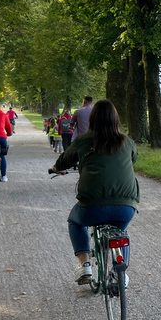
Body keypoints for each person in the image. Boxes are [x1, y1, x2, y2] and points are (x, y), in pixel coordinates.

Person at [51, 100, 139, 284]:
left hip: (92, 205)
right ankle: (120, 272)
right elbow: (134, 158)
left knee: (75, 221)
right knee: (120, 233)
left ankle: (84, 266)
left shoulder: (83, 140)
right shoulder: (127, 141)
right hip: (126, 206)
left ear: (92, 119)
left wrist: (56, 168)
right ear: (116, 119)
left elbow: (64, 160)